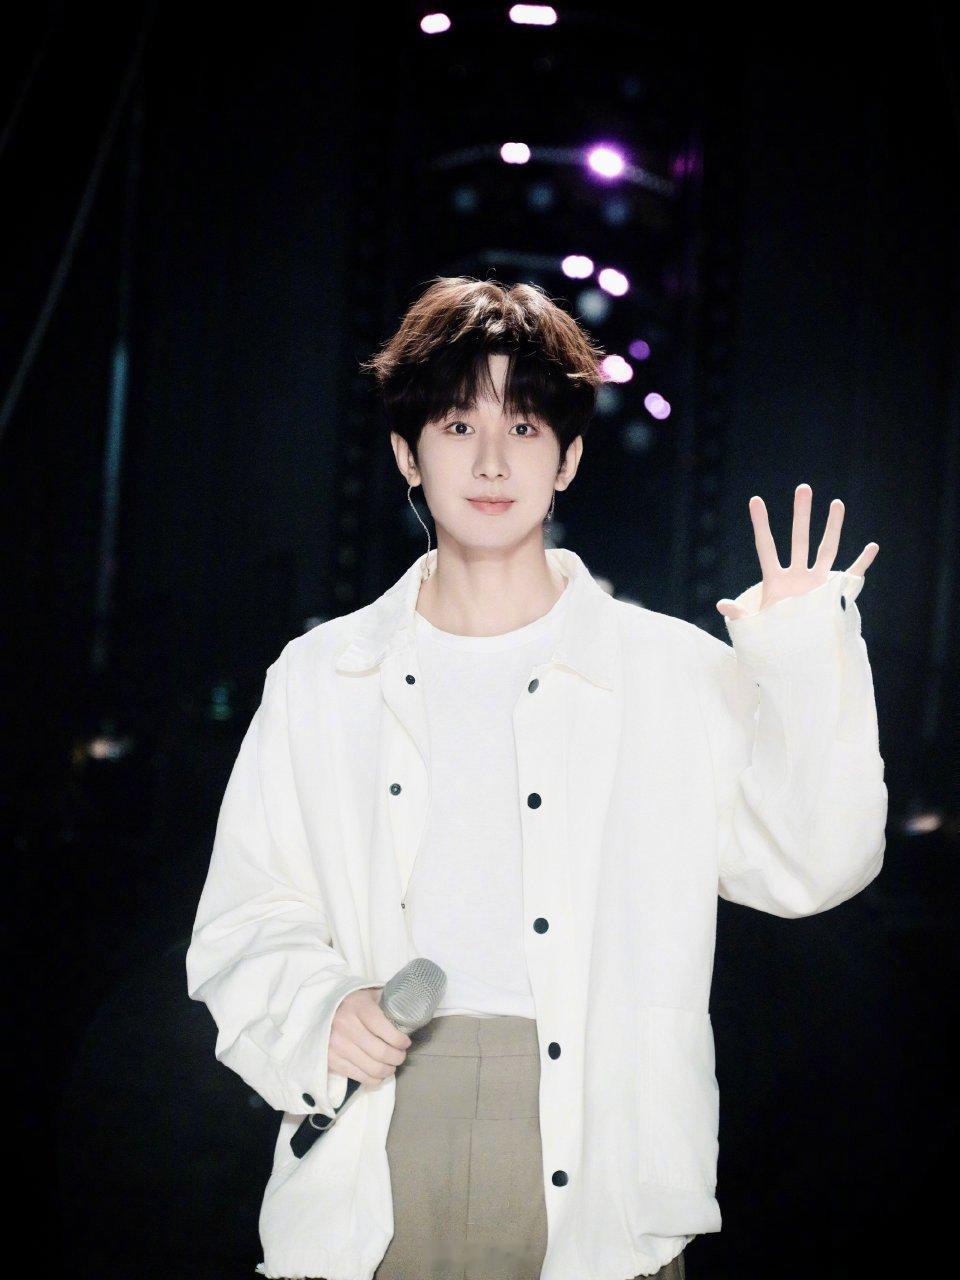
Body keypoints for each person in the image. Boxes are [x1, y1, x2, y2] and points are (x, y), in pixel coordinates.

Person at [185, 276, 887, 1280]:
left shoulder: (668, 670)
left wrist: (803, 658)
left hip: (605, 1153)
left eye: (522, 426)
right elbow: (246, 915)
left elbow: (813, 864)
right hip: (383, 1134)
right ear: (406, 454)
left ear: (568, 458)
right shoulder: (322, 677)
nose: (490, 461)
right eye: (456, 424)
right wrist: (320, 1007)